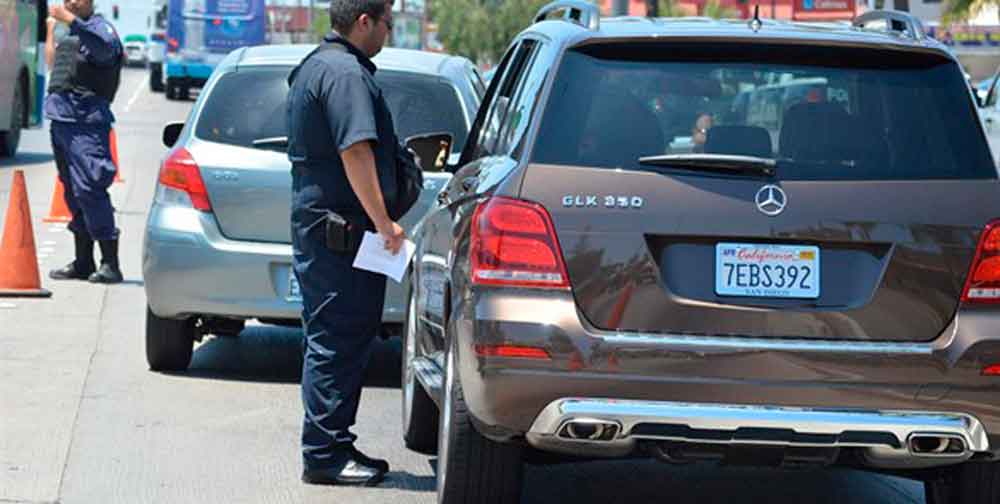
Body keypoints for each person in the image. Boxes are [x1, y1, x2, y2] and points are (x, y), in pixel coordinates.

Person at [285, 0, 403, 487]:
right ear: (364, 22)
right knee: (338, 337)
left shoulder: (317, 65)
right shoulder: (344, 74)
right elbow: (355, 150)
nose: (388, 34)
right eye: (387, 24)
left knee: (333, 335)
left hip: (326, 226)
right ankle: (325, 455)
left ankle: (333, 443)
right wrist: (384, 223)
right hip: (342, 231)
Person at [45, 0, 124, 284]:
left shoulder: (100, 29)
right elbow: (54, 66)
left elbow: (104, 50)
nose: (69, 2)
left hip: (86, 123)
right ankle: (83, 260)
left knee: (90, 187)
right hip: (61, 119)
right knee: (73, 191)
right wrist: (53, 30)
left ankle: (110, 263)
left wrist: (71, 20)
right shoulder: (70, 33)